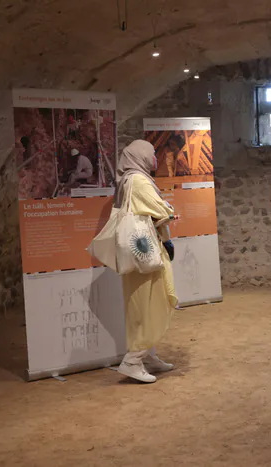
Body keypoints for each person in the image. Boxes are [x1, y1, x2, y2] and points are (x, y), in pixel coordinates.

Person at [115, 140, 178, 384]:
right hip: (145, 254)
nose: (154, 159)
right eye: (152, 154)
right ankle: (132, 360)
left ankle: (147, 355)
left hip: (139, 254)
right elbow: (163, 211)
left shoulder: (127, 180)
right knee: (149, 305)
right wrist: (170, 211)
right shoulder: (139, 181)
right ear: (140, 156)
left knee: (143, 304)